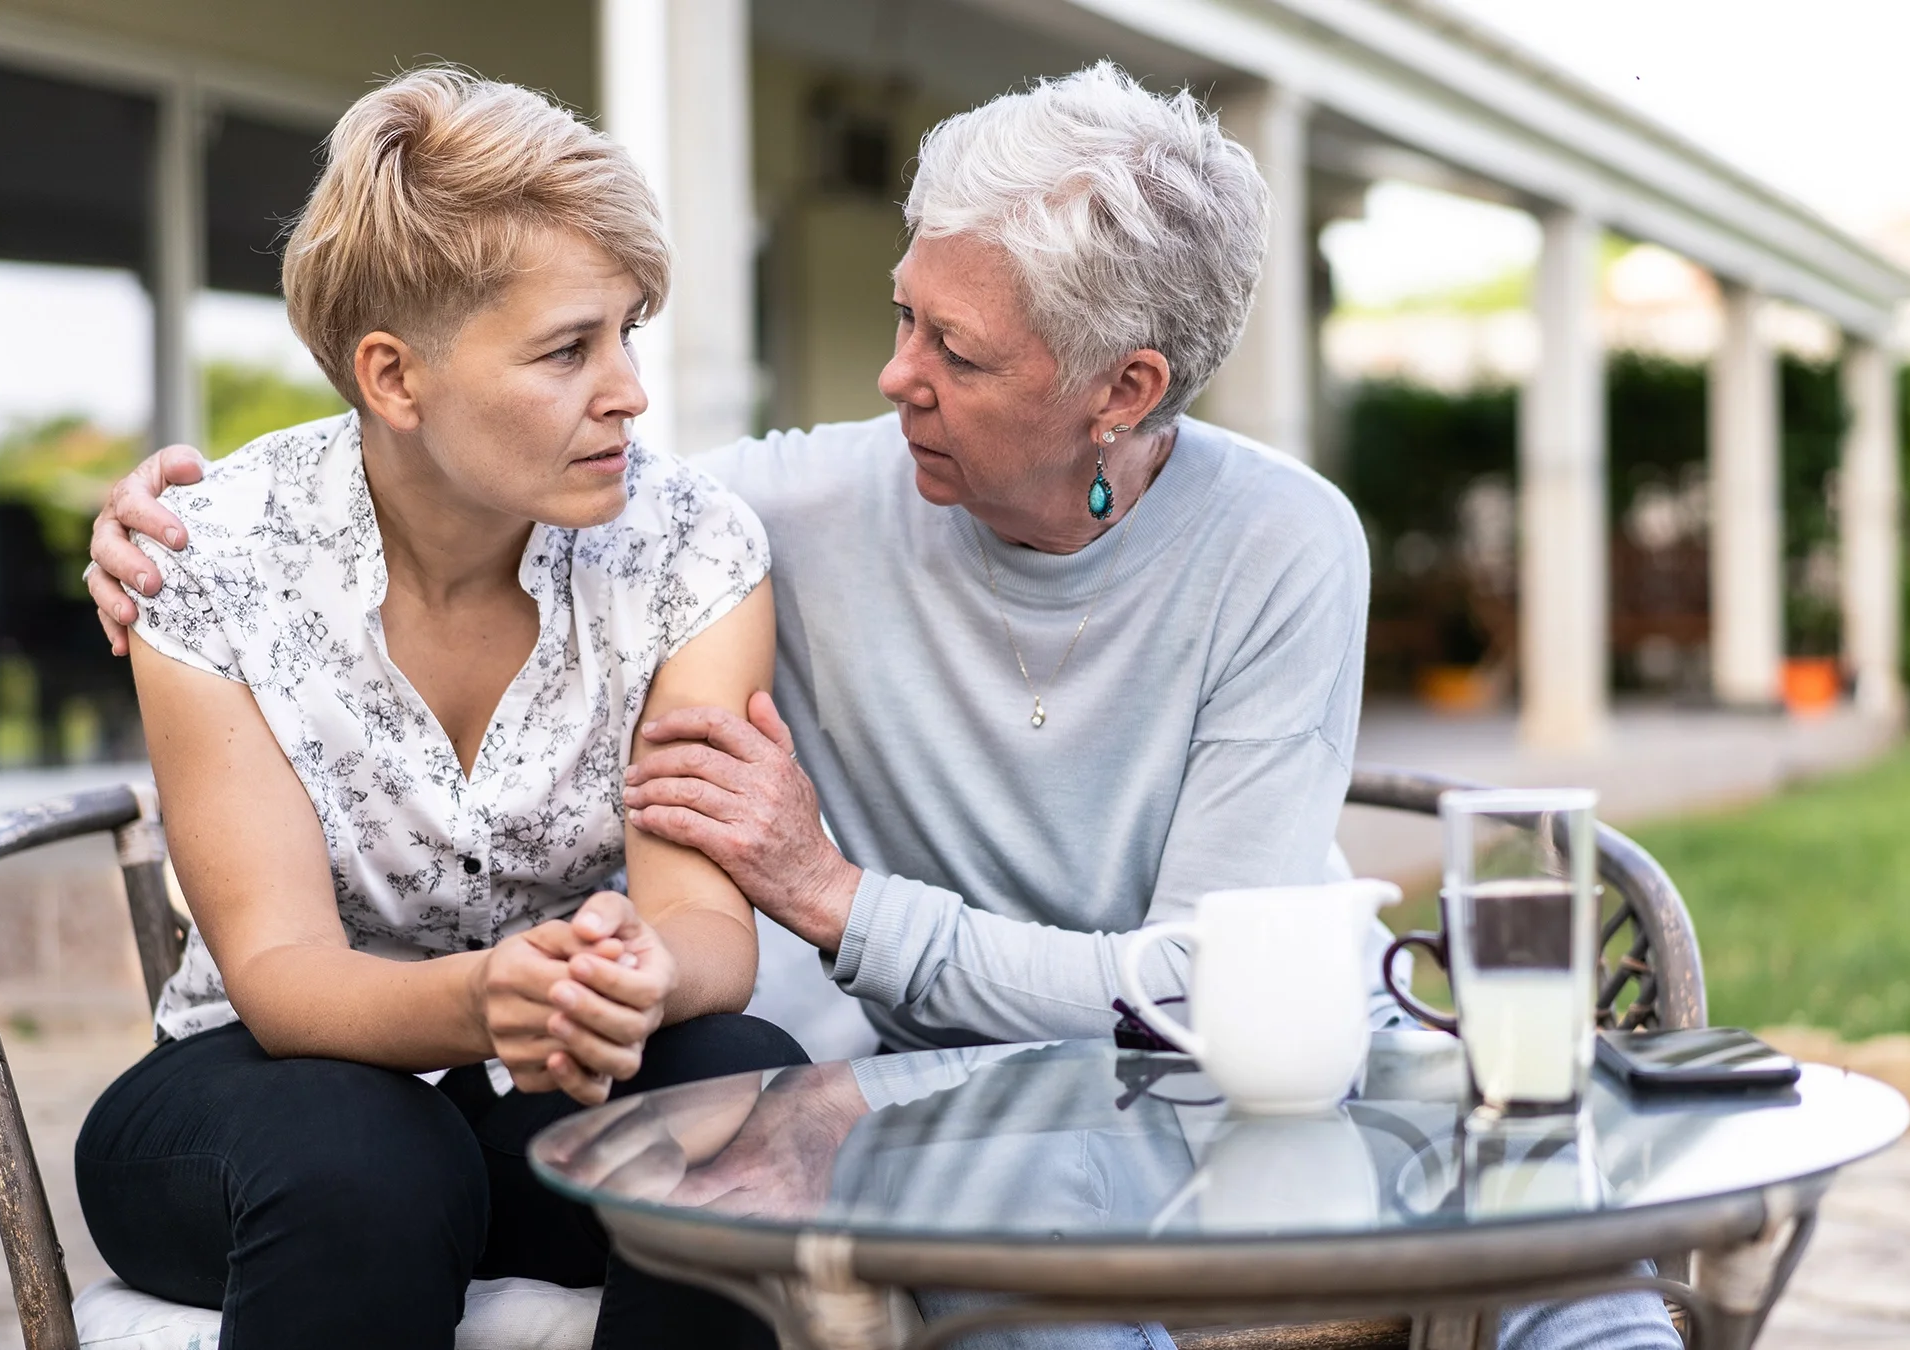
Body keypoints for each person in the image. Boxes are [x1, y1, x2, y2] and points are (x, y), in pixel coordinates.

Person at [87, 63, 1677, 1350]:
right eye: (903, 310)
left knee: (1575, 1261)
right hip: (929, 1105)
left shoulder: (1276, 543)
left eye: (951, 345)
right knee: (438, 1161)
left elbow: (1204, 988)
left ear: (1121, 389)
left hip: (1237, 1069)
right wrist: (158, 531)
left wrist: (829, 898)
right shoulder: (759, 509)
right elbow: (468, 465)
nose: (889, 373)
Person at [73, 69, 805, 1350]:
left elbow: (705, 927)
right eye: (570, 348)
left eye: (630, 329)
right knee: (372, 1156)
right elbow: (287, 977)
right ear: (394, 378)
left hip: (547, 1104)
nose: (628, 388)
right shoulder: (213, 560)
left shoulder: (690, 553)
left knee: (743, 1083)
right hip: (260, 1105)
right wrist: (488, 1000)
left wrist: (633, 976)